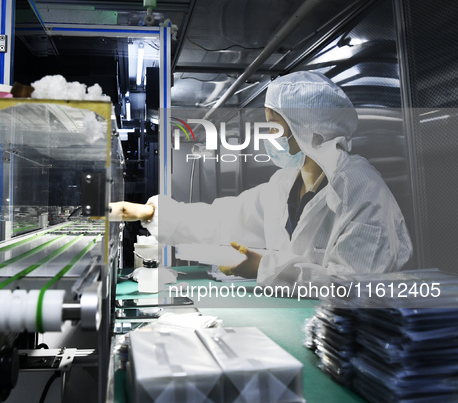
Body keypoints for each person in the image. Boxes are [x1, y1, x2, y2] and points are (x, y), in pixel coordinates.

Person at [110, 71, 413, 287]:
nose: (268, 135)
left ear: (307, 127)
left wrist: (263, 268)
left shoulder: (361, 189)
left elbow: (355, 286)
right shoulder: (285, 183)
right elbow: (223, 218)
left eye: (274, 125)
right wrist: (152, 213)